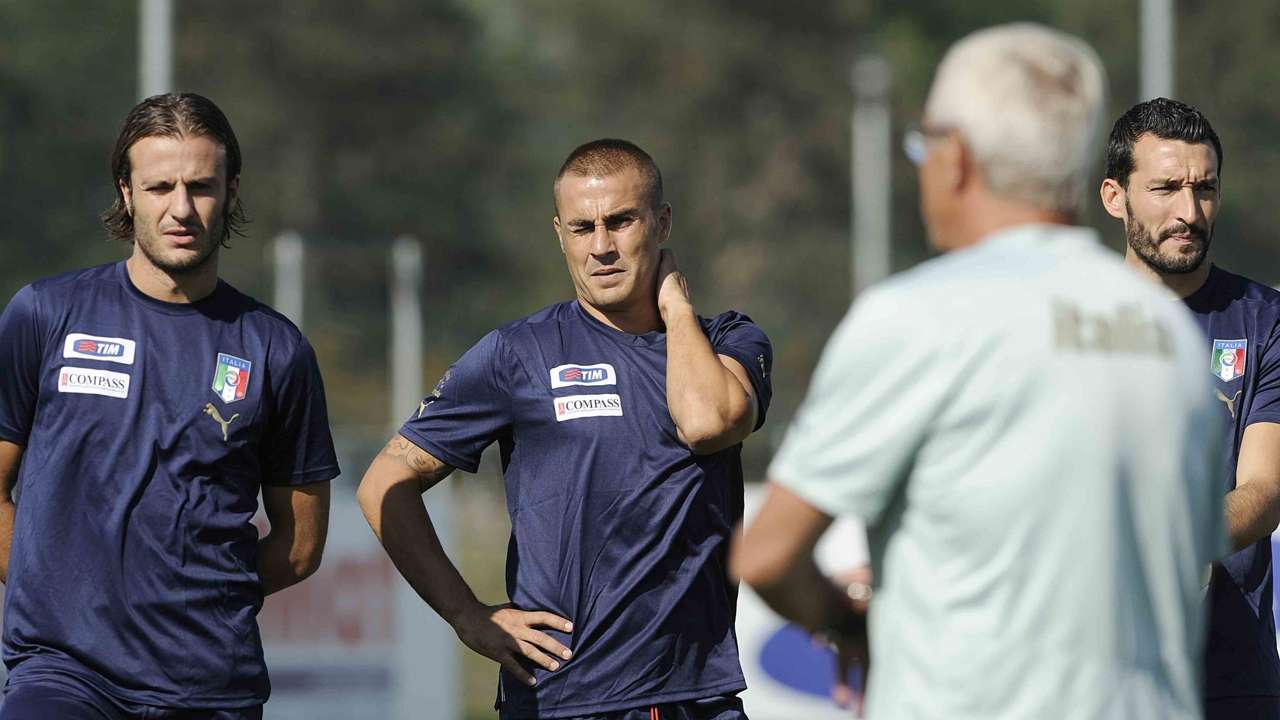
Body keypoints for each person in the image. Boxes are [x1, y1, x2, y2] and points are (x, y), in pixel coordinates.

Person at [731, 23, 1225, 719]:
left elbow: (768, 555)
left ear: (954, 157)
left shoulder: (917, 317)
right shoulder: (1168, 333)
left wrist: (852, 622)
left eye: (922, 145)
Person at [357, 138, 772, 720]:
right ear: (560, 234)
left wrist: (676, 310)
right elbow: (383, 483)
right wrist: (466, 614)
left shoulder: (729, 340)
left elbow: (706, 422)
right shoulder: (516, 354)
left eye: (622, 221)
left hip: (695, 698)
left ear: (662, 222)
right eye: (582, 228)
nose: (601, 246)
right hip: (559, 699)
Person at [0, 93, 338, 719]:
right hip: (64, 675)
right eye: (159, 186)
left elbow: (300, 544)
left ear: (232, 192)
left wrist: (198, 598)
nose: (181, 208)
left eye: (201, 187)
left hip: (210, 685)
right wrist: (56, 589)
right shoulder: (45, 315)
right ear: (127, 193)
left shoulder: (276, 349)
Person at [1100, 97, 1280, 719]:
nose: (1188, 211)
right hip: (1087, 670)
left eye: (1204, 189)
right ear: (1114, 196)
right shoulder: (1067, 319)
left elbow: (1267, 488)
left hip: (1227, 674)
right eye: (1166, 188)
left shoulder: (1264, 320)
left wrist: (1173, 540)